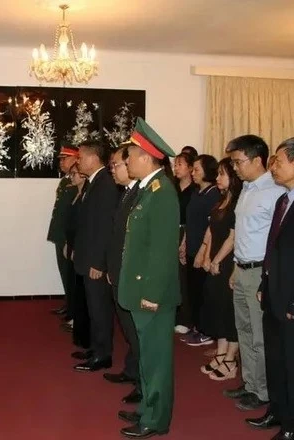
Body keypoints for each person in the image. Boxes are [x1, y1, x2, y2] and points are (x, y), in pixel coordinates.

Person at [244, 137, 294, 440]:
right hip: (275, 294)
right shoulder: (284, 198)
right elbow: (273, 249)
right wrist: (265, 284)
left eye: (278, 160)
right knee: (275, 359)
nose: (273, 166)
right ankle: (277, 410)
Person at [118, 118, 179, 439]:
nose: (126, 161)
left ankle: (156, 419)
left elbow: (162, 251)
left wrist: (152, 293)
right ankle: (146, 407)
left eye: (129, 155)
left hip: (151, 292)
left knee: (156, 360)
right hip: (140, 288)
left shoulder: (163, 193)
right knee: (147, 357)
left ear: (146, 157)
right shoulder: (149, 190)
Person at [224, 135, 285, 411]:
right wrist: (236, 266)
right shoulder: (247, 188)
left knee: (260, 334)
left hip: (261, 272)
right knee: (244, 330)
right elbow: (244, 233)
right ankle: (249, 383)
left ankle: (262, 391)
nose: (235, 167)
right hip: (242, 268)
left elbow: (278, 239)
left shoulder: (275, 190)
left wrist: (266, 276)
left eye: (238, 161)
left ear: (257, 159)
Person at [72, 141, 120, 372]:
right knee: (92, 307)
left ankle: (103, 355)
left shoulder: (106, 184)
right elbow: (88, 224)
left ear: (93, 159)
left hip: (96, 262)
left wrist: (99, 262)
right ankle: (95, 347)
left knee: (100, 308)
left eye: (81, 157)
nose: (77, 161)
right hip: (87, 255)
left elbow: (105, 228)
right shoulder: (95, 182)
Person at [104, 144, 142, 405]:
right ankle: (132, 370)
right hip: (119, 272)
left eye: (117, 165)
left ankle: (142, 383)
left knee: (137, 332)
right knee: (128, 329)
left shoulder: (142, 194)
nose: (115, 170)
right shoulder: (127, 193)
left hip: (130, 275)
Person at [199, 158, 242, 381]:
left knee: (229, 311)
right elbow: (211, 230)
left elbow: (233, 237)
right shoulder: (221, 200)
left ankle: (231, 360)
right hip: (215, 259)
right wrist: (206, 255)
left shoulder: (239, 202)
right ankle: (221, 352)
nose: (217, 178)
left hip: (228, 262)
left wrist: (216, 260)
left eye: (222, 174)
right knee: (217, 309)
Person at [182, 154, 220, 347]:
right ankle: (196, 326)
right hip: (191, 247)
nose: (193, 173)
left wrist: (203, 252)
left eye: (197, 169)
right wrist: (183, 243)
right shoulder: (197, 192)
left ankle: (205, 330)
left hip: (203, 252)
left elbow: (211, 228)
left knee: (203, 293)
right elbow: (191, 222)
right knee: (193, 291)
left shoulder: (214, 194)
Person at [47, 146, 79, 320]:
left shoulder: (78, 182)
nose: (61, 162)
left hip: (68, 236)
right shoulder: (65, 181)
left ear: (75, 159)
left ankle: (74, 309)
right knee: (64, 273)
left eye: (64, 158)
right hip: (60, 234)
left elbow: (73, 213)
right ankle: (69, 303)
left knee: (71, 274)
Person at [65, 164, 91, 350]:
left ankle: (84, 334)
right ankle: (76, 320)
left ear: (82, 176)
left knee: (83, 290)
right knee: (75, 285)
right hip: (74, 244)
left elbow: (84, 226)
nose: (72, 177)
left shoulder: (87, 194)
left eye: (74, 174)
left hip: (82, 247)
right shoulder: (75, 193)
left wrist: (77, 247)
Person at [174, 153, 196, 334]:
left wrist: (184, 239)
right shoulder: (171, 187)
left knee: (183, 277)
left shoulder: (195, 190)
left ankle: (185, 318)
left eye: (180, 164)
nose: (176, 167)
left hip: (186, 232)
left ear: (190, 168)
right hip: (171, 231)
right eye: (175, 164)